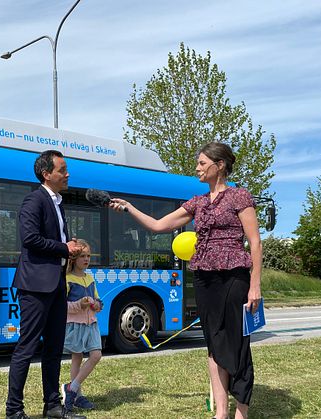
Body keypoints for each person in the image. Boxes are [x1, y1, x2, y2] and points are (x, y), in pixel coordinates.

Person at [110, 142, 262, 419]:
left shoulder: (240, 197)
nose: (197, 168)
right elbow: (159, 225)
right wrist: (130, 208)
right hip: (204, 278)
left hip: (233, 277)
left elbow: (254, 243)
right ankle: (221, 413)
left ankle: (242, 412)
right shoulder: (198, 202)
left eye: (203, 163)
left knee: (235, 342)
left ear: (220, 165)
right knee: (214, 343)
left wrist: (255, 285)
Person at [5, 150, 86, 419]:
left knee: (53, 348)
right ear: (46, 174)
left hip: (55, 285)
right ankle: (13, 410)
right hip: (35, 286)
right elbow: (29, 239)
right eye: (62, 170)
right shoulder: (34, 200)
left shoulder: (57, 202)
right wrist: (64, 247)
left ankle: (52, 406)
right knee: (26, 348)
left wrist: (68, 249)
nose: (67, 174)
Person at [62, 239, 103, 412]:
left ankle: (71, 387)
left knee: (96, 355)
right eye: (82, 256)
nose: (86, 259)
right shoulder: (67, 279)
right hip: (75, 325)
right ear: (73, 259)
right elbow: (62, 306)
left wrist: (96, 305)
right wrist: (79, 304)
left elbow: (99, 301)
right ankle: (77, 395)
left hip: (91, 323)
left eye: (88, 256)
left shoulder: (90, 277)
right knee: (76, 358)